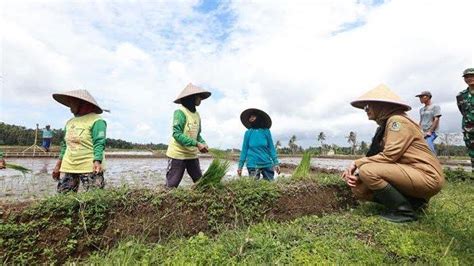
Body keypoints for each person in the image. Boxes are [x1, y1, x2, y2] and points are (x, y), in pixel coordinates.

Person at [342, 84, 445, 223]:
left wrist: (357, 163)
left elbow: (390, 156)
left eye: (368, 106)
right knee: (359, 187)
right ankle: (415, 204)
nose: (366, 110)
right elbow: (378, 158)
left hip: (426, 176)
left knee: (368, 171)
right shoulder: (385, 127)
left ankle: (404, 212)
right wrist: (358, 175)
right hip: (410, 173)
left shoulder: (397, 121)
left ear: (382, 105)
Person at [51, 89, 107, 193]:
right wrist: (58, 165)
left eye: (71, 102)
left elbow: (99, 142)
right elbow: (65, 146)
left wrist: (97, 161)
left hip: (89, 167)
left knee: (93, 199)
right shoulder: (70, 122)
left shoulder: (97, 121)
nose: (69, 105)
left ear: (81, 102)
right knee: (64, 198)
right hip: (69, 166)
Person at [165, 83, 211, 188]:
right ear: (191, 97)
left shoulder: (197, 115)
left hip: (192, 155)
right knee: (171, 185)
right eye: (198, 96)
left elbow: (197, 135)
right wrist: (196, 144)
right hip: (178, 154)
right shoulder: (180, 112)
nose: (200, 99)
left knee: (201, 183)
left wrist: (202, 143)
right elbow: (177, 134)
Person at [237, 108, 280, 180]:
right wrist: (240, 166)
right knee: (254, 187)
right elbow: (244, 150)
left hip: (266, 163)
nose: (251, 118)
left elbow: (271, 148)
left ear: (259, 118)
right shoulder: (248, 133)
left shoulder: (266, 132)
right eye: (250, 117)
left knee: (269, 186)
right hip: (252, 164)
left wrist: (276, 163)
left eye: (253, 116)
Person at [456, 68, 474, 172]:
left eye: (472, 76)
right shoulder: (461, 96)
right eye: (467, 77)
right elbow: (462, 111)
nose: (470, 78)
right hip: (469, 130)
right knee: (472, 153)